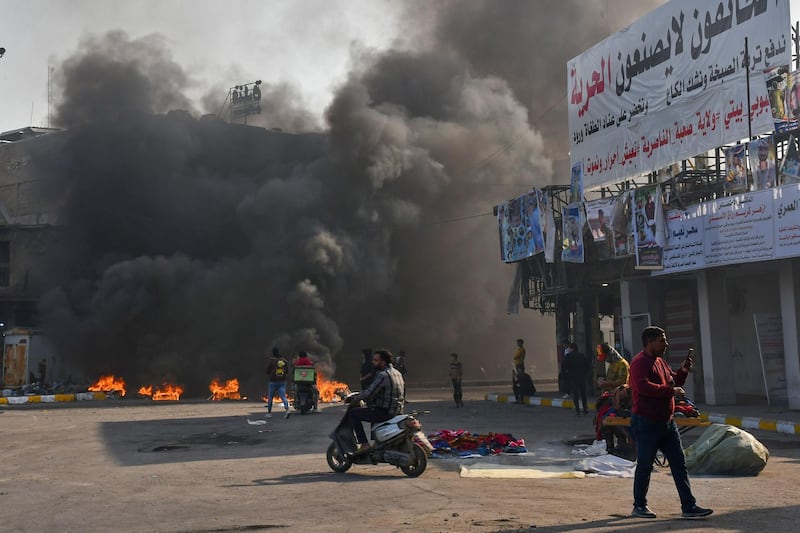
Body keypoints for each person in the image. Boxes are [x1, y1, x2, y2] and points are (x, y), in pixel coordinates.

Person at [629, 326, 713, 519]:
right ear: (650, 342)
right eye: (662, 340)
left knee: (679, 463)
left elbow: (673, 382)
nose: (666, 344)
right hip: (646, 422)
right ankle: (639, 505)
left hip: (666, 423)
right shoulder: (639, 363)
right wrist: (670, 391)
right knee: (645, 465)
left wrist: (683, 371)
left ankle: (688, 506)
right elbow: (643, 387)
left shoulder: (661, 362)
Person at [347, 349, 405, 453]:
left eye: (375, 360)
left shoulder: (383, 375)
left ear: (383, 362)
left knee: (353, 413)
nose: (373, 362)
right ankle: (377, 443)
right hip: (397, 411)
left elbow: (369, 392)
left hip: (385, 412)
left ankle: (364, 444)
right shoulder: (397, 373)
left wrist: (354, 398)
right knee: (371, 409)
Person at [562, 342, 590, 415]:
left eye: (570, 348)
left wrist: (566, 374)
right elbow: (587, 366)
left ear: (572, 348)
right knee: (583, 394)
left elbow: (564, 366)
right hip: (581, 377)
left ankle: (577, 410)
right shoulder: (582, 356)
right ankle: (585, 409)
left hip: (573, 378)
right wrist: (584, 374)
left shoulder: (568, 356)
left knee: (576, 394)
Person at [265, 347, 291, 419]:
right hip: (282, 381)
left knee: (270, 397)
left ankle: (269, 413)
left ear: (273, 353)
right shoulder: (284, 361)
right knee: (283, 397)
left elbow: (267, 371)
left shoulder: (272, 361)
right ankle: (287, 410)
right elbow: (287, 371)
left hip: (273, 382)